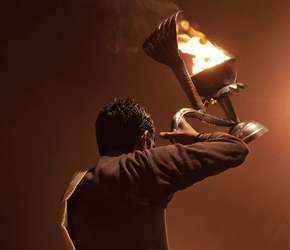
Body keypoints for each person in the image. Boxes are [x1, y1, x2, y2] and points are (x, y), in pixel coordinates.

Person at [61, 98, 249, 250]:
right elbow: (235, 148)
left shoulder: (76, 189)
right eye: (152, 145)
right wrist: (195, 137)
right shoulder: (140, 166)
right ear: (143, 139)